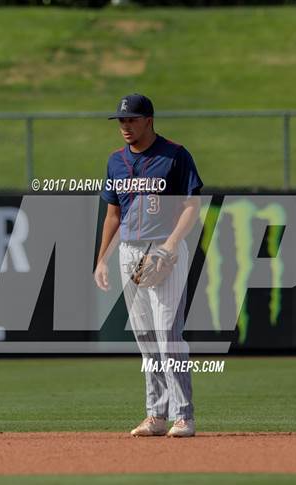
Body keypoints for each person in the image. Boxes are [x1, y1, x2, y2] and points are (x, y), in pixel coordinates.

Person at [94, 93, 203, 437]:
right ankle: (156, 415)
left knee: (168, 334)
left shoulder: (174, 155)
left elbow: (191, 206)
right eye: (121, 121)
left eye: (131, 119)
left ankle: (183, 415)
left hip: (163, 248)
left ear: (148, 120)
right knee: (145, 338)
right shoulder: (115, 162)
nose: (125, 126)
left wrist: (170, 248)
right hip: (129, 251)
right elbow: (113, 214)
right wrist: (101, 260)